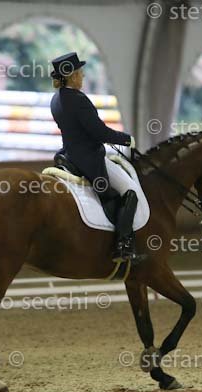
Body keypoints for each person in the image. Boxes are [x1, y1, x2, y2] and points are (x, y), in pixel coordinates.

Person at [49, 52, 142, 263]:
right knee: (129, 191)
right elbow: (100, 132)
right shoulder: (78, 99)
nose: (82, 76)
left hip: (68, 155)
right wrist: (126, 139)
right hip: (88, 158)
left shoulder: (56, 99)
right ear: (72, 76)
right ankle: (123, 245)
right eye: (80, 72)